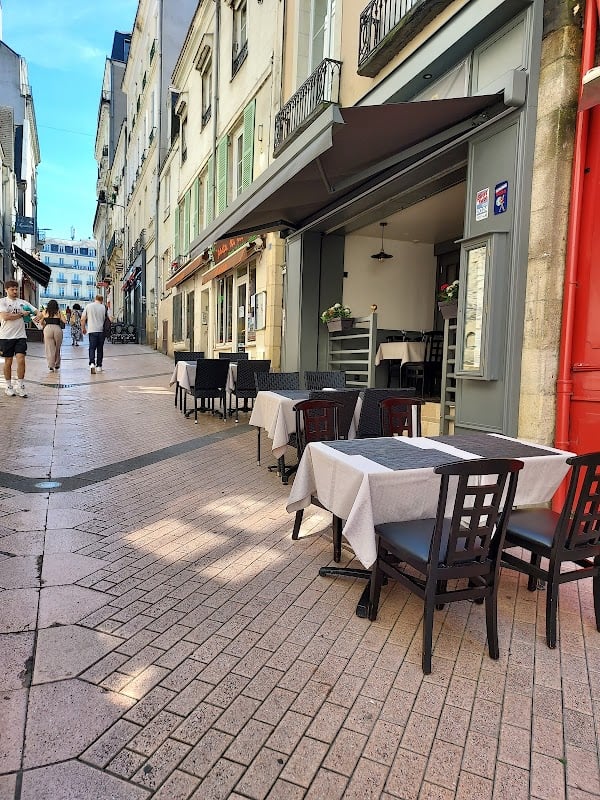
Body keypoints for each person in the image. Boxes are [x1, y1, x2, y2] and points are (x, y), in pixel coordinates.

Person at [0, 279, 40, 397]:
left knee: (21, 359)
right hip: (6, 337)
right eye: (12, 289)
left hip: (20, 336)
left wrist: (38, 317)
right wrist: (22, 314)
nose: (15, 291)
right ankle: (8, 386)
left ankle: (21, 385)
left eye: (16, 289)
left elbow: (37, 312)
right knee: (8, 361)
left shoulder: (23, 302)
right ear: (6, 290)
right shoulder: (2, 302)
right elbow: (5, 316)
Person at [81, 294, 110, 374]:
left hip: (92, 330)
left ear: (95, 299)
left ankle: (92, 363)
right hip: (101, 331)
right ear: (102, 300)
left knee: (92, 348)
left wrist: (83, 328)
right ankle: (99, 366)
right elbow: (108, 318)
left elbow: (82, 319)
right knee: (100, 349)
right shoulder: (103, 307)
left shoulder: (89, 306)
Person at [41, 299, 65, 372]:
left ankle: (51, 365)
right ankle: (57, 364)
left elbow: (41, 321)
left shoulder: (45, 311)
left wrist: (44, 326)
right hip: (57, 328)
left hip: (47, 329)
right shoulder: (58, 311)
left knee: (49, 348)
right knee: (57, 348)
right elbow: (64, 321)